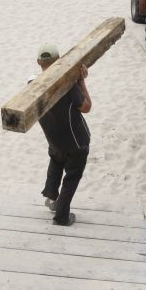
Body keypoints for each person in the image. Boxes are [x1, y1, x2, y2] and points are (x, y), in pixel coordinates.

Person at [33, 43, 91, 227]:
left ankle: (51, 196)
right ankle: (61, 216)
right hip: (76, 142)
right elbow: (87, 107)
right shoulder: (68, 86)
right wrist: (81, 82)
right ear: (59, 61)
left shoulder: (31, 86)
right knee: (72, 177)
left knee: (56, 162)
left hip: (54, 139)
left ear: (38, 62)